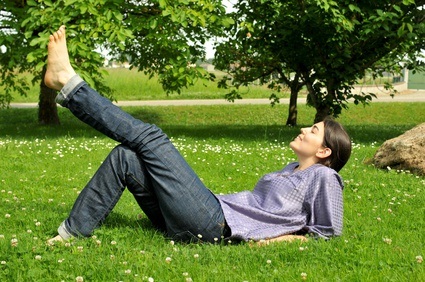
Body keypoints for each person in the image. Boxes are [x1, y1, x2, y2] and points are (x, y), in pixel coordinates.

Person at [45, 26, 352, 245]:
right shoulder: (293, 170)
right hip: (206, 216)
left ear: (325, 151)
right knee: (126, 157)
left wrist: (273, 243)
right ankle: (71, 232)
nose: (303, 129)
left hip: (215, 225)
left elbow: (327, 232)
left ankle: (69, 83)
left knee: (151, 138)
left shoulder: (324, 178)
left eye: (313, 131)